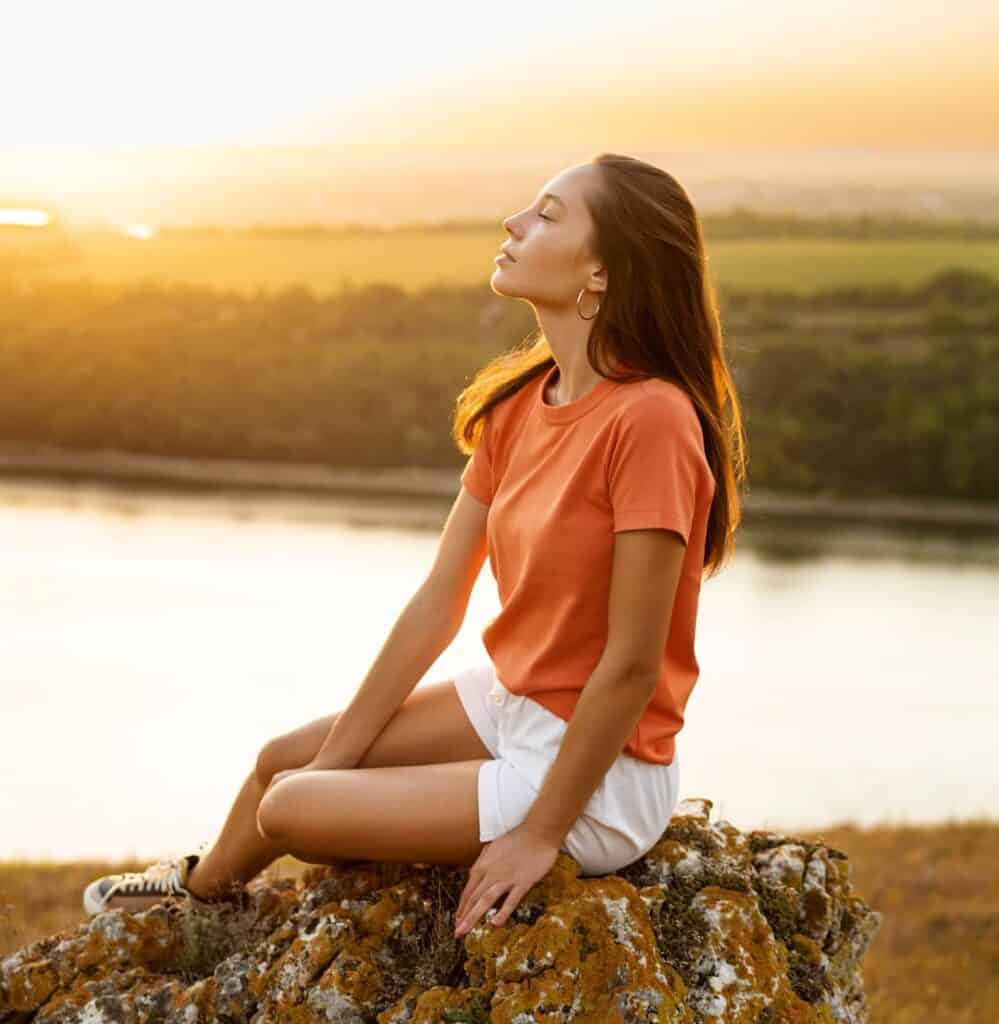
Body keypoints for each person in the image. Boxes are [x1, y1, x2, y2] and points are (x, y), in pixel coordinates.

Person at [82, 153, 746, 938]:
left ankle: (313, 845)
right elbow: (438, 602)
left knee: (290, 807)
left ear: (599, 274)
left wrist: (536, 833)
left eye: (547, 215)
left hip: (596, 773)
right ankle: (198, 899)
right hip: (513, 702)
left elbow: (633, 663)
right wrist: (338, 759)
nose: (514, 223)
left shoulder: (651, 420)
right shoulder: (518, 404)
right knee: (280, 764)